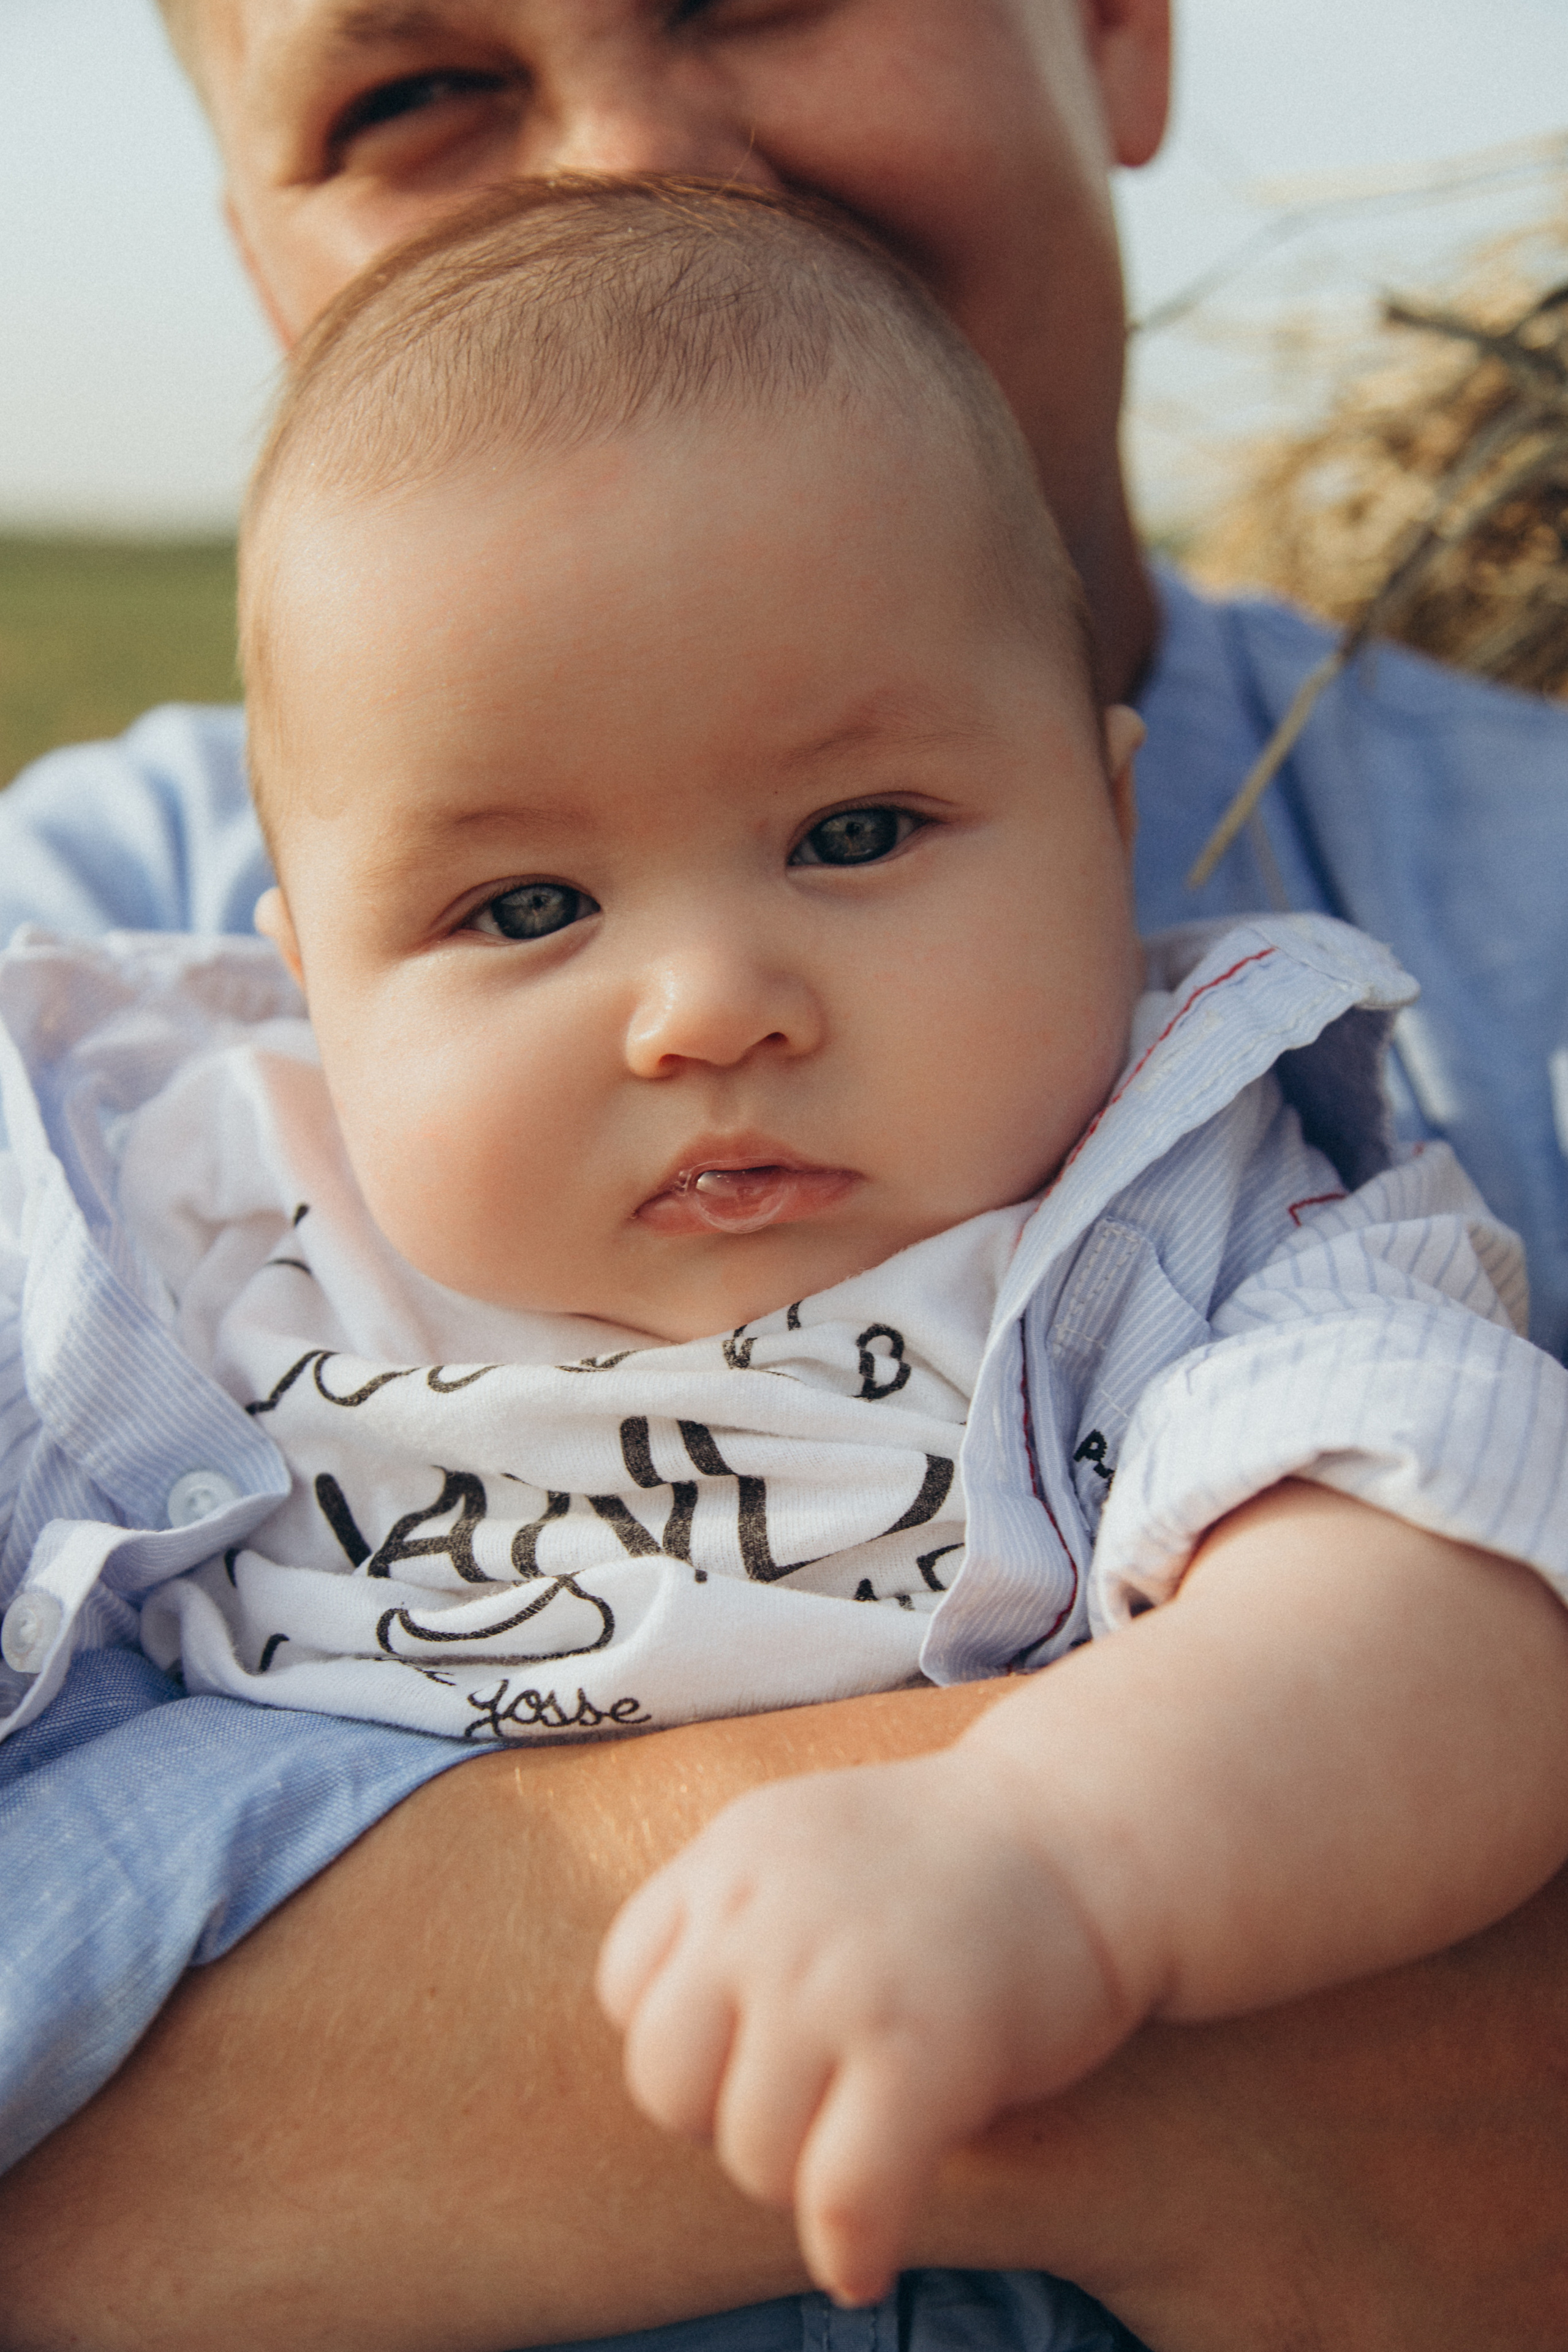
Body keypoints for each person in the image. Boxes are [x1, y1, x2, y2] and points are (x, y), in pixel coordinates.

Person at [5, 7, 1568, 2349]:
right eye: (409, 94)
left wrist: (1058, 1847)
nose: (704, 1005)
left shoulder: (1193, 1182)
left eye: (858, 836)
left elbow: (1436, 1553)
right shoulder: (124, 1150)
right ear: (292, 969)